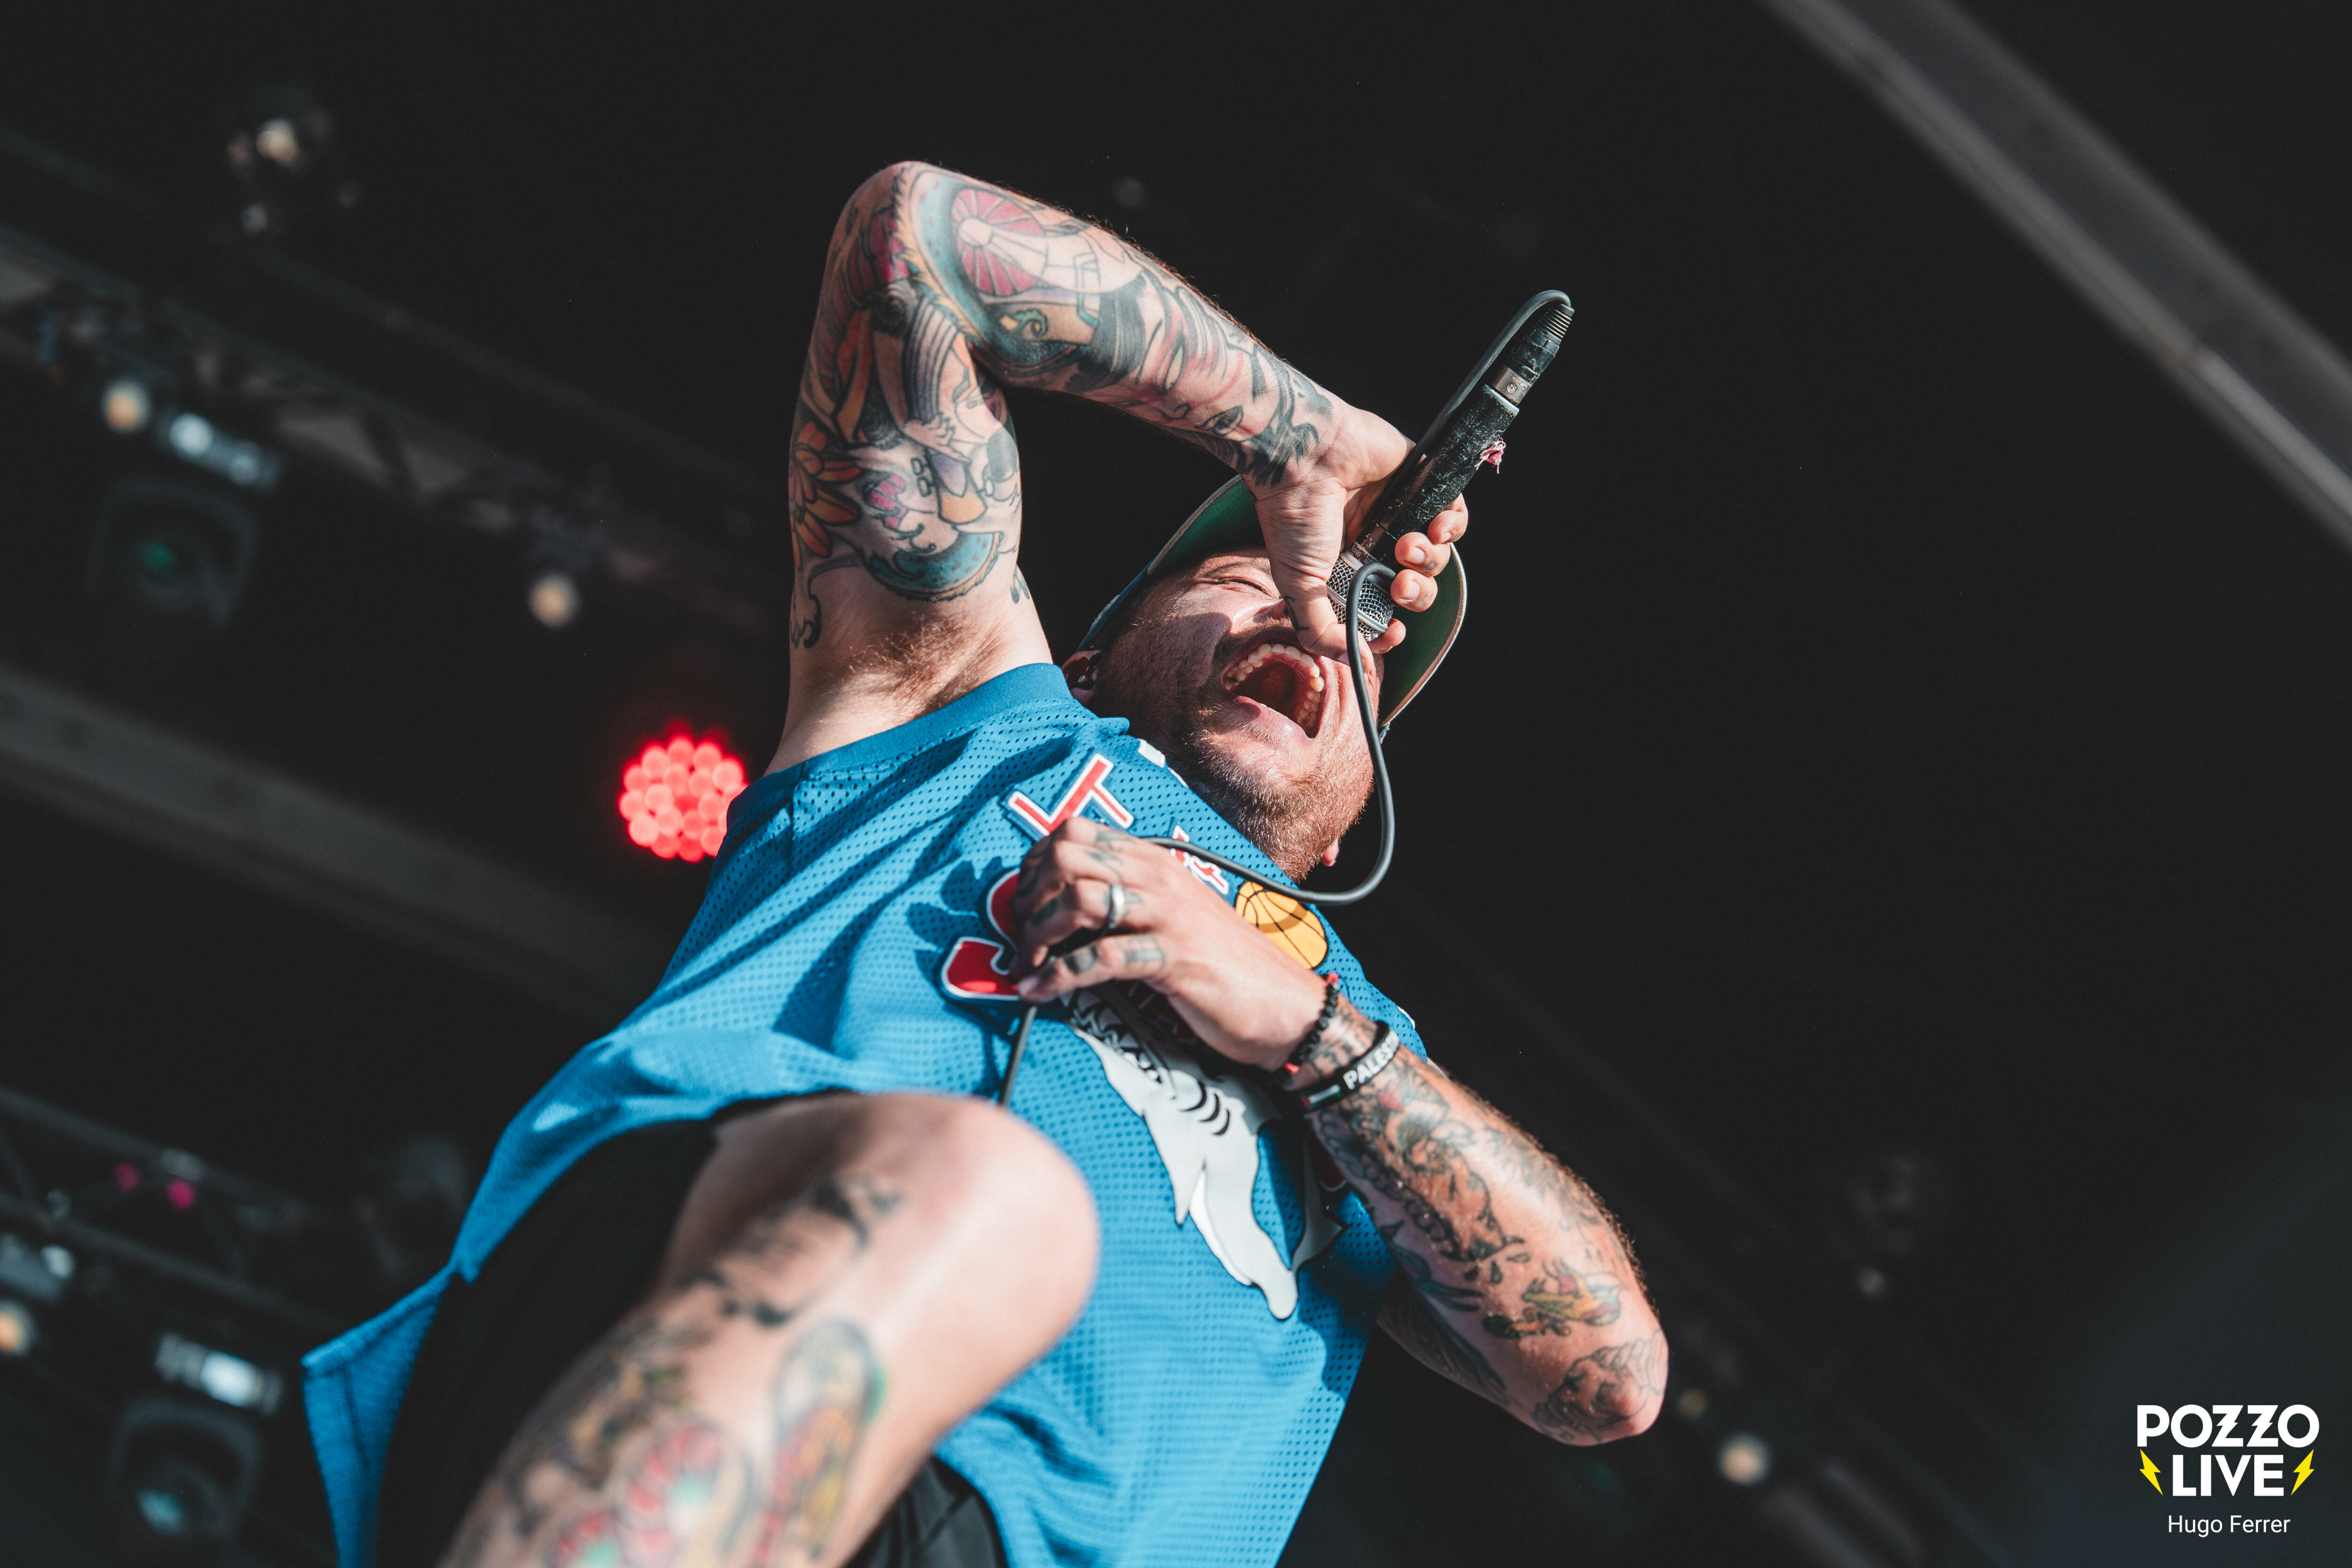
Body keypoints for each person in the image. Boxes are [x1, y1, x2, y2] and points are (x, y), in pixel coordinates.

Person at [302, 161, 1663, 1568]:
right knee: (995, 1195)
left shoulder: (1365, 1038)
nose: (1317, 624)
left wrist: (1304, 1028)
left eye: (1369, 658)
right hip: (686, 1349)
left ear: (1343, 829)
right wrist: (1300, 446)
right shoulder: (969, 709)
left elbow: (1609, 1376)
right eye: (1245, 576)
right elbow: (916, 252)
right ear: (1092, 661)